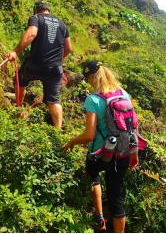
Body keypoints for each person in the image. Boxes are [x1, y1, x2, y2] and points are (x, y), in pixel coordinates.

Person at [63, 60, 138, 233]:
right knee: (116, 198)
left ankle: (99, 219)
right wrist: (134, 153)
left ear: (91, 77)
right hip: (122, 153)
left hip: (100, 154)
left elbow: (89, 135)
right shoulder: (124, 94)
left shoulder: (93, 99)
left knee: (92, 175)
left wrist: (72, 141)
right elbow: (133, 126)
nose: (87, 81)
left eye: (87, 78)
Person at [7, 0, 72, 129]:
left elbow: (31, 33)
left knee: (20, 79)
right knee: (53, 100)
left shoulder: (36, 18)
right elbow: (68, 48)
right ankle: (58, 131)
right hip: (55, 68)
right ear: (48, 10)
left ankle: (19, 110)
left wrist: (15, 52)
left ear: (36, 10)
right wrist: (58, 61)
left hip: (36, 64)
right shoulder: (62, 23)